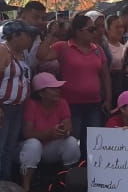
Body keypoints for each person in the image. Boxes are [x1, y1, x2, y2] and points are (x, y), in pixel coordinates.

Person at [38, 13, 111, 156]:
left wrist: (108, 99)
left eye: (94, 29)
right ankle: (73, 173)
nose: (95, 32)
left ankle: (90, 172)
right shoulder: (63, 47)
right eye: (91, 29)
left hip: (94, 104)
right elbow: (42, 55)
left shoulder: (98, 49)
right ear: (78, 31)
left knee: (93, 143)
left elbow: (105, 76)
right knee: (72, 141)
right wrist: (51, 34)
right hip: (71, 105)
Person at [0, 20, 37, 185]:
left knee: (8, 147)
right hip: (0, 107)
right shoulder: (0, 52)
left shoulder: (21, 54)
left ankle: (5, 183)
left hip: (16, 108)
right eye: (28, 36)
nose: (31, 40)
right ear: (16, 36)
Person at [18, 72, 80, 192]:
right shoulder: (32, 104)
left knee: (72, 142)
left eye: (58, 88)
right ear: (41, 93)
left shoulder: (62, 102)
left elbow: (68, 126)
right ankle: (26, 189)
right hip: (37, 146)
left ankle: (70, 185)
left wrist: (64, 131)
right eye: (53, 89)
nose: (58, 91)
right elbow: (27, 133)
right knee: (33, 144)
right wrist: (49, 133)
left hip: (52, 147)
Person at [0, 0, 47, 68]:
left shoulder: (36, 37)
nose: (40, 22)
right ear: (23, 16)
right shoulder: (4, 33)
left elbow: (30, 65)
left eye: (43, 18)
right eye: (35, 17)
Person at [103, 14, 127, 100]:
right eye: (117, 27)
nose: (120, 30)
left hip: (122, 87)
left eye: (121, 27)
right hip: (111, 88)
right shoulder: (105, 48)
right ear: (108, 29)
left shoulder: (124, 47)